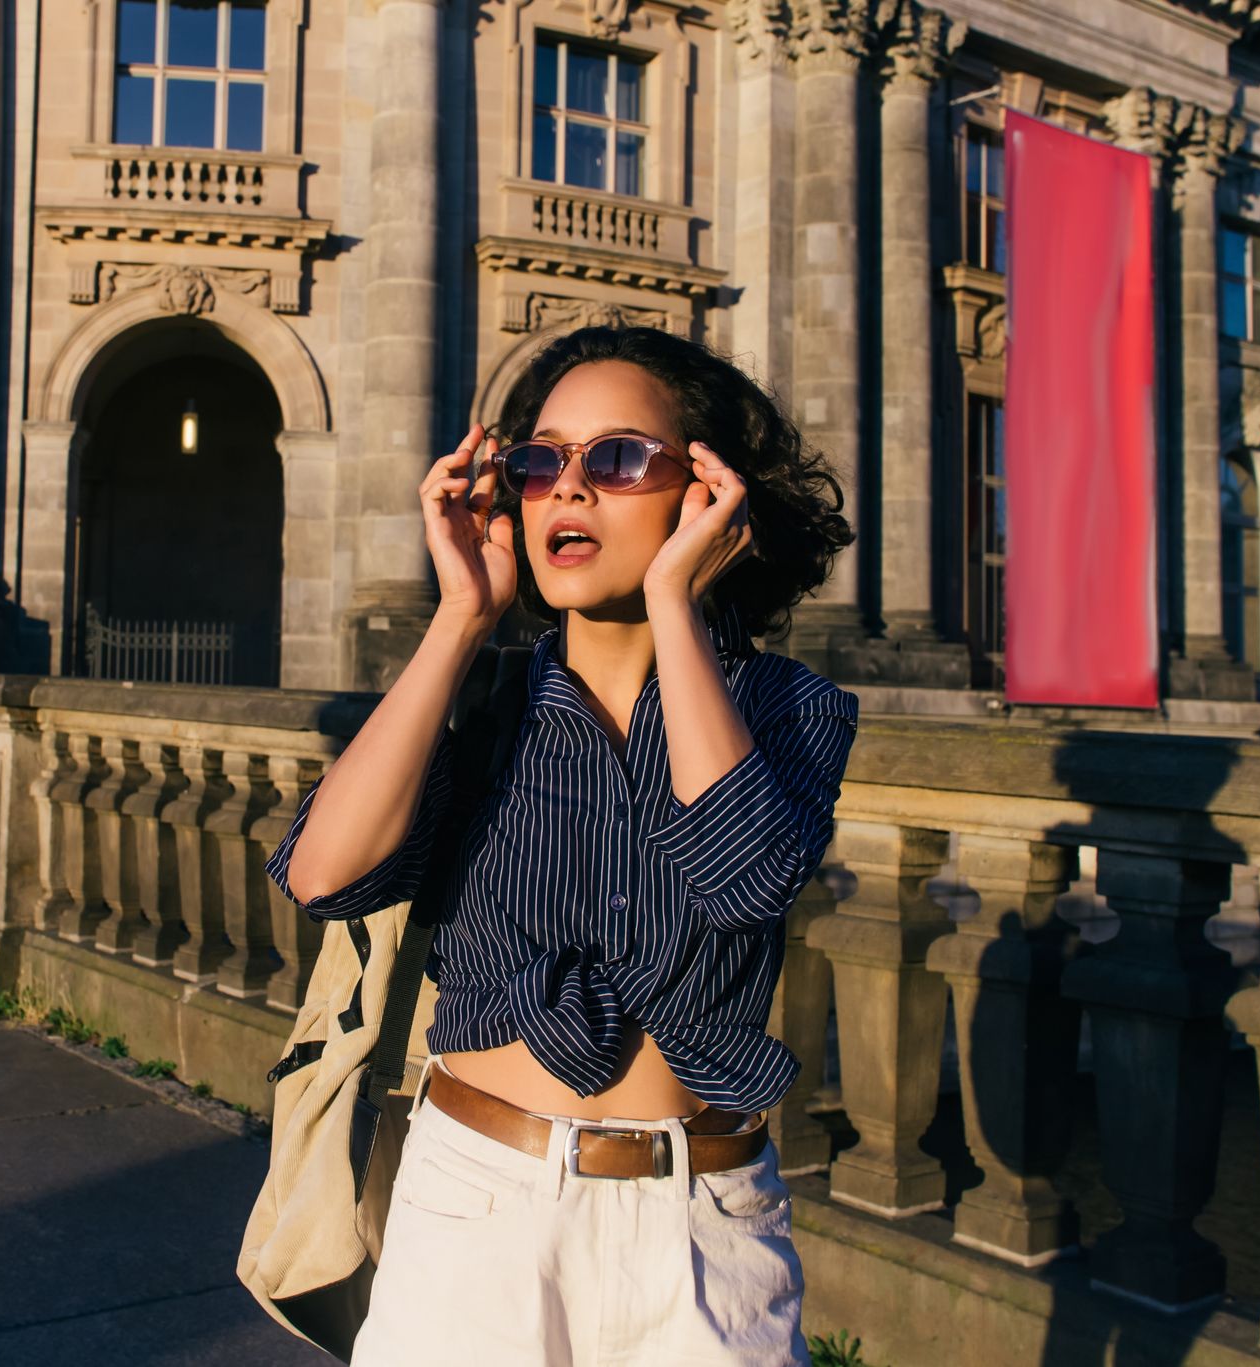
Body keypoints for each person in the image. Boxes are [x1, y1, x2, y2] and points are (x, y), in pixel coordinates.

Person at [263, 324, 859, 1365]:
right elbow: (322, 872)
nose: (567, 490)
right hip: (476, 1209)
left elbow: (742, 873)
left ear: (704, 491)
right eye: (540, 461)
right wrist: (459, 620)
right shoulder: (490, 702)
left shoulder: (784, 709)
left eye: (618, 458)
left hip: (704, 1230)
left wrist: (674, 601)